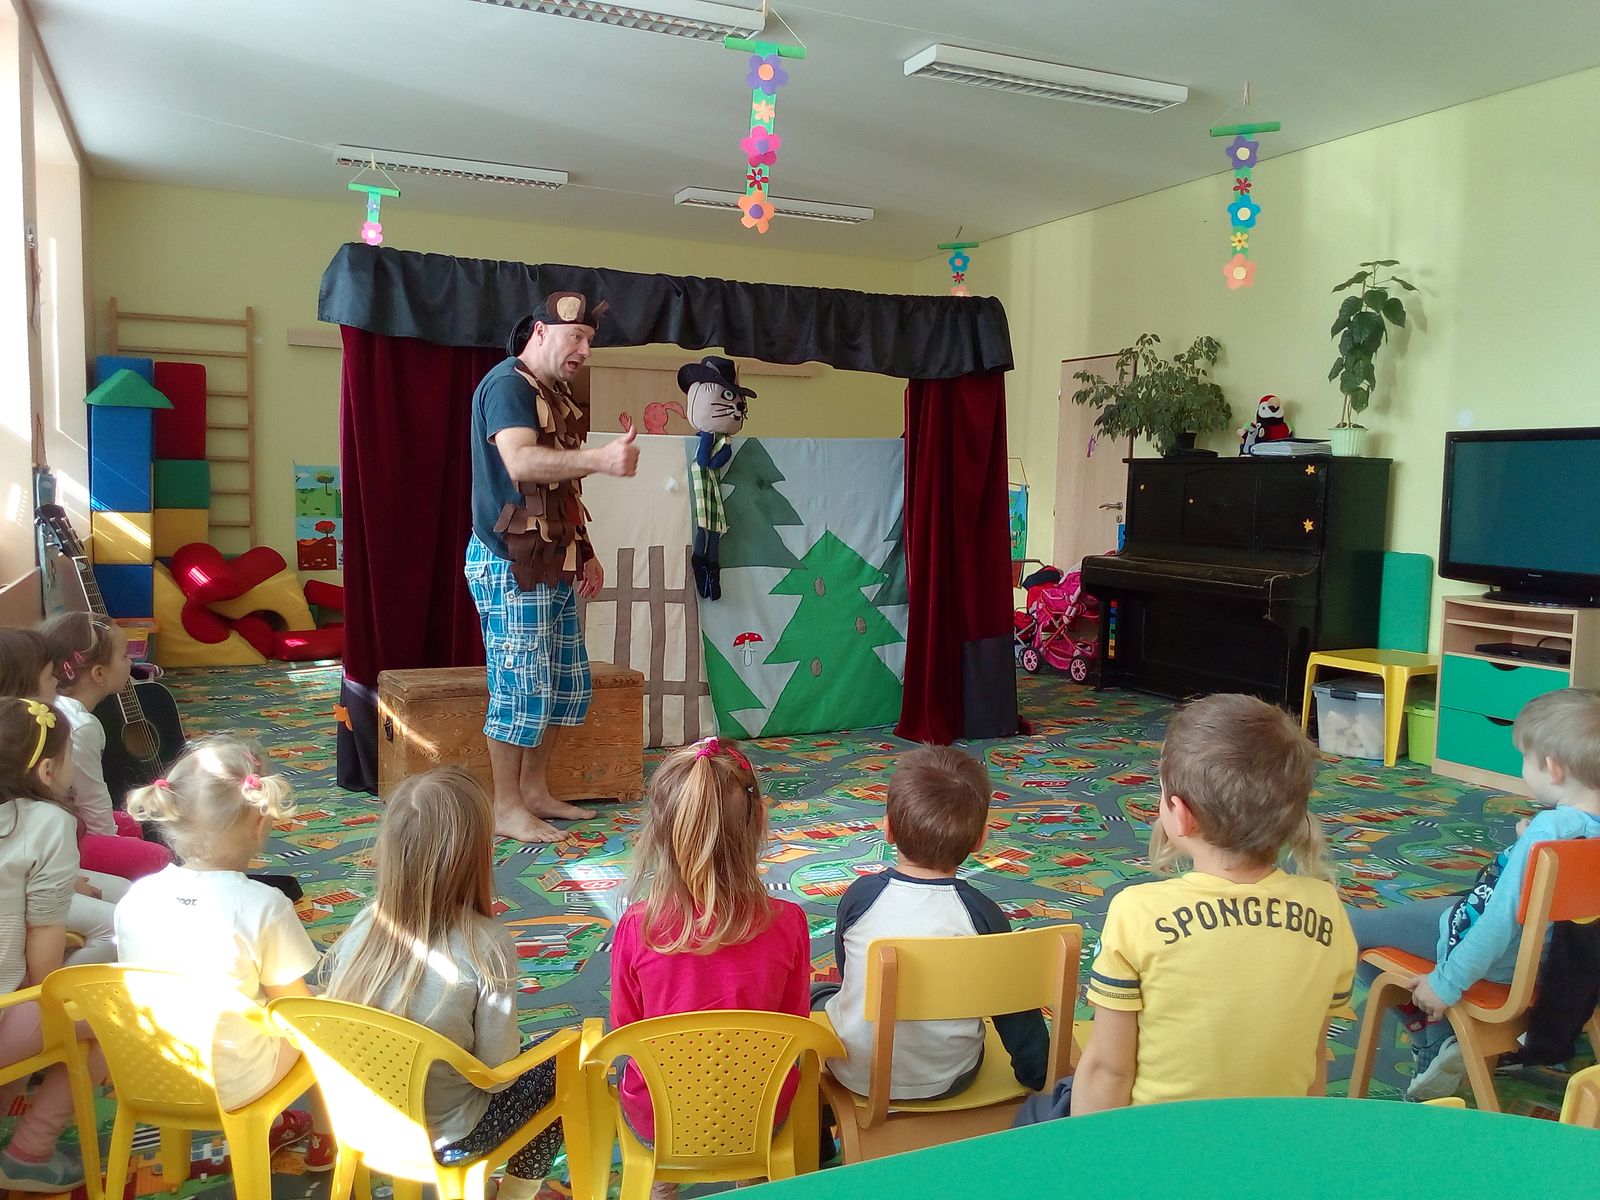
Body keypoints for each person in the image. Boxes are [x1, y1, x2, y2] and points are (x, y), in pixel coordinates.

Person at [1054, 694, 1355, 1119]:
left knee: (1040, 1111)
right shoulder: (1327, 910)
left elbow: (1109, 1071)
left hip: (1161, 1147)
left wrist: (1092, 1156)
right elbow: (1314, 1056)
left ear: (1181, 815)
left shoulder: (1136, 913)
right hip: (1272, 1138)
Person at [1349, 687, 1600, 1100]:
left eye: (1526, 759)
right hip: (1561, 967)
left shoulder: (1549, 833)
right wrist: (1527, 844)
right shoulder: (1569, 833)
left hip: (1500, 959)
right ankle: (1442, 1034)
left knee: (1352, 929)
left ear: (1553, 768)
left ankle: (1432, 1035)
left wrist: (1446, 983)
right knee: (1426, 910)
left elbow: (1499, 920)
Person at [324, 768, 560, 1200]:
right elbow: (496, 1076)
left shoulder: (361, 925)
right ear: (476, 855)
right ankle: (516, 1194)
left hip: (363, 1120)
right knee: (562, 1065)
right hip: (452, 1138)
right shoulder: (486, 945)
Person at [466, 292, 639, 843]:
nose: (584, 350)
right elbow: (520, 461)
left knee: (563, 685)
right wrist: (601, 459)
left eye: (589, 340)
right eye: (576, 338)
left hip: (552, 563)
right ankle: (505, 807)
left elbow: (559, 488)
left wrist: (584, 550)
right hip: (510, 565)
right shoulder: (507, 386)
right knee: (519, 687)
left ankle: (534, 792)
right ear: (540, 332)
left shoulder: (555, 394)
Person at [116, 738, 332, 1168]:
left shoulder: (135, 896)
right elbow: (294, 1009)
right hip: (235, 1082)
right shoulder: (264, 905)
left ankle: (270, 1127)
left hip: (151, 1070)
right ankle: (325, 1142)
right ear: (261, 823)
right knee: (323, 1016)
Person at [609, 737, 810, 1191]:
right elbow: (794, 1024)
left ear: (659, 833)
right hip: (761, 1112)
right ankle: (753, 1178)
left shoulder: (637, 928)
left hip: (660, 1120)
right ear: (759, 822)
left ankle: (661, 1184)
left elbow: (625, 1030)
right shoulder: (789, 923)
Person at [821, 745, 1048, 1099]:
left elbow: (848, 969)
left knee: (822, 993)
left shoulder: (860, 896)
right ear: (980, 839)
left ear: (888, 829)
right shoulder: (983, 914)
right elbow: (1015, 1010)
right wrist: (1039, 1074)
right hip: (947, 1079)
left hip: (855, 1072)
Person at [0, 698, 109, 1193]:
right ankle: (30, 1150)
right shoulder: (46, 822)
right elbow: (44, 964)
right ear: (46, 770)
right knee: (113, 1012)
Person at [37, 613, 172, 880]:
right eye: (124, 656)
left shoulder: (62, 708)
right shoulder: (81, 727)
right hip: (58, 839)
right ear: (99, 673)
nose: (130, 662)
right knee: (158, 857)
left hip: (57, 823)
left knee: (130, 824)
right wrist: (117, 847)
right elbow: (93, 802)